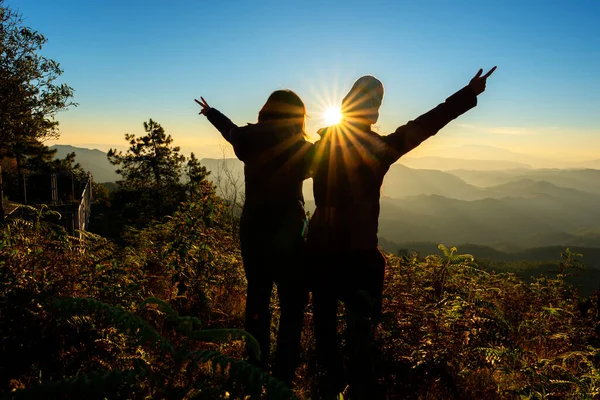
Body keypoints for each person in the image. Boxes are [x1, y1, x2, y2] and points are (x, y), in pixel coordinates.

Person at [307, 67, 497, 398]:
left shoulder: (318, 149)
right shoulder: (377, 149)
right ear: (375, 111)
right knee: (361, 340)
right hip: (359, 257)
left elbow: (278, 165)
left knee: (323, 328)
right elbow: (424, 126)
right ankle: (358, 390)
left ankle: (328, 387)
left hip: (321, 251)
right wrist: (467, 94)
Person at [194, 90, 313, 387]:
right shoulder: (302, 147)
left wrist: (211, 113)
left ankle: (255, 368)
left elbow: (230, 131)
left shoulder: (249, 139)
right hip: (289, 234)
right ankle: (283, 376)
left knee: (258, 298)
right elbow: (329, 159)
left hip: (254, 232)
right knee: (293, 304)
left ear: (265, 110)